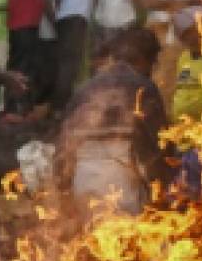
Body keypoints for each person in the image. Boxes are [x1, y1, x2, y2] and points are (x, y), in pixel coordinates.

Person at [53, 28, 167, 220]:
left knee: (94, 243)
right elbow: (155, 148)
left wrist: (64, 191)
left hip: (82, 179)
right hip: (123, 180)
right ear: (146, 61)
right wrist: (162, 191)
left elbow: (63, 147)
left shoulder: (86, 89)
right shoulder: (143, 87)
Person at [51, 0, 117, 110]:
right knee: (70, 63)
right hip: (74, 17)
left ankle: (61, 104)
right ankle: (61, 106)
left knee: (69, 62)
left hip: (69, 17)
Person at [0, 0, 49, 114]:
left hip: (27, 25)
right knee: (22, 67)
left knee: (27, 66)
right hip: (22, 25)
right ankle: (16, 107)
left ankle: (21, 106)